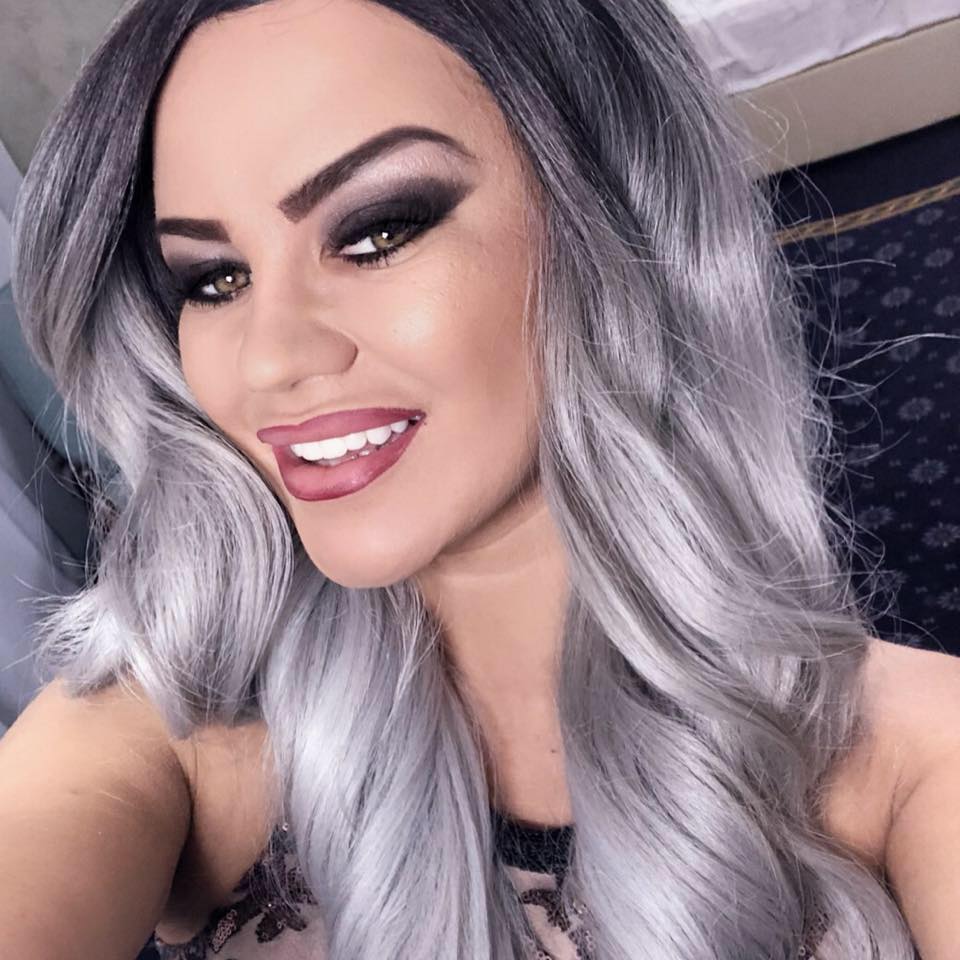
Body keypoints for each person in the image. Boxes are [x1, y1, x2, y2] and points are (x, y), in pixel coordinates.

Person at [3, 0, 949, 957]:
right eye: (215, 279)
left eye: (377, 232)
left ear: (609, 212)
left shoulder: (911, 758)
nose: (269, 359)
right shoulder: (161, 738)